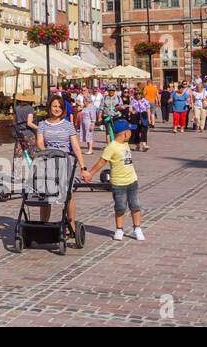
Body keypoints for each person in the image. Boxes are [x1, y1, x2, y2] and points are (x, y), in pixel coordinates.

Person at [36, 95, 89, 236]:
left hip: (65, 160)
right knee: (46, 195)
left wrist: (83, 168)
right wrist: (47, 152)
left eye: (59, 106)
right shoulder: (42, 124)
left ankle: (71, 226)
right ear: (49, 107)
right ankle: (43, 225)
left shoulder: (68, 125)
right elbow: (40, 143)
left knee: (68, 194)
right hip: (48, 160)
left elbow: (76, 147)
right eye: (54, 106)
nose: (57, 109)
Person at [82, 119, 144, 241]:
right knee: (120, 207)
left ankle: (137, 228)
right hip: (118, 183)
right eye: (130, 130)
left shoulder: (125, 143)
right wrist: (90, 174)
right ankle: (119, 229)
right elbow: (101, 162)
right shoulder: (111, 147)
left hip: (132, 181)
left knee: (135, 206)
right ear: (125, 133)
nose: (132, 132)